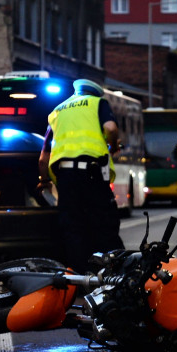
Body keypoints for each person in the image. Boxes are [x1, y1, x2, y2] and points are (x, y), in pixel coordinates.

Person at [38, 79, 123, 271]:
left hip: (66, 179)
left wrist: (44, 182)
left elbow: (43, 158)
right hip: (92, 175)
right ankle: (115, 275)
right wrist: (114, 146)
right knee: (105, 226)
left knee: (73, 229)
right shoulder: (96, 103)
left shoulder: (57, 111)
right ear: (94, 93)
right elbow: (110, 128)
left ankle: (77, 278)